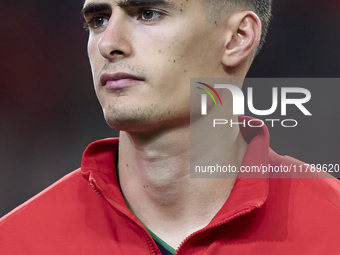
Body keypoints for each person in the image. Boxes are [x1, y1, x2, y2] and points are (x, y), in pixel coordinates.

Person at [1, 0, 339, 254]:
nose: (108, 43)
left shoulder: (331, 227)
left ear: (237, 37)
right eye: (99, 20)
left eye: (148, 13)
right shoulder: (17, 241)